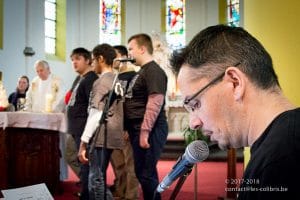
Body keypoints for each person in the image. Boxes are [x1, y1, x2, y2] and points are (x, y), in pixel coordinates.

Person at [169, 24, 300, 200]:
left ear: (235, 83)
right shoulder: (285, 141)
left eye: (195, 104)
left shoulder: (277, 164)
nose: (194, 123)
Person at [78, 43, 125, 200]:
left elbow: (95, 113)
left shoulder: (101, 82)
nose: (92, 64)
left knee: (95, 179)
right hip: (113, 134)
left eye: (93, 60)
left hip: (101, 135)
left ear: (101, 59)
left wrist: (83, 142)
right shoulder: (116, 80)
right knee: (99, 178)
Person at [125, 33, 168, 200]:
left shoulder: (153, 71)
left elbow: (155, 102)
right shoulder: (142, 71)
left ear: (142, 49)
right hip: (138, 129)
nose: (129, 54)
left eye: (131, 49)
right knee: (143, 172)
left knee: (146, 173)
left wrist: (144, 132)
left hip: (151, 129)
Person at [66, 47, 99, 199]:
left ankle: (87, 195)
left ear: (88, 60)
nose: (74, 62)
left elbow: (92, 109)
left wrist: (87, 135)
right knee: (73, 157)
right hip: (75, 128)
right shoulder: (81, 79)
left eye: (78, 59)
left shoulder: (91, 79)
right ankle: (87, 189)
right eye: (72, 59)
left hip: (83, 129)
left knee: (85, 164)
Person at [109, 45, 139, 200]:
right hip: (114, 128)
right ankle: (120, 192)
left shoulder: (134, 77)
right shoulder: (115, 77)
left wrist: (127, 128)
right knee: (119, 166)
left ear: (123, 56)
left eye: (113, 56)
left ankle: (131, 196)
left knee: (130, 166)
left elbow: (129, 105)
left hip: (126, 129)